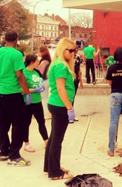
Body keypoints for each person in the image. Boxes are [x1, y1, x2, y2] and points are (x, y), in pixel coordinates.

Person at [0, 31, 31, 166]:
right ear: (17, 39)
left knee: (3, 122)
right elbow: (19, 75)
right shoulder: (16, 54)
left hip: (0, 92)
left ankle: (3, 151)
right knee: (19, 123)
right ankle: (14, 155)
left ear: (4, 39)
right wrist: (26, 91)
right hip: (13, 92)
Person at [43, 38, 76, 180]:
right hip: (60, 105)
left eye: (75, 50)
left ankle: (49, 166)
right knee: (57, 140)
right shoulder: (61, 66)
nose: (73, 53)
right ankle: (55, 172)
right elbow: (61, 88)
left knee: (53, 138)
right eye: (70, 50)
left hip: (56, 104)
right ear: (62, 50)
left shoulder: (57, 64)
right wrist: (69, 107)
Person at [22, 54, 49, 152]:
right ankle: (26, 143)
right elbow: (21, 89)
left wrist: (41, 87)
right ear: (32, 62)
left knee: (41, 121)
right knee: (26, 123)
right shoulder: (23, 73)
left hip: (37, 101)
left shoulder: (36, 72)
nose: (38, 63)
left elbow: (40, 82)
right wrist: (34, 90)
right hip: (28, 102)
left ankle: (46, 141)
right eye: (37, 61)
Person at [37, 45, 52, 119]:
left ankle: (49, 113)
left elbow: (40, 72)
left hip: (43, 81)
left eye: (39, 51)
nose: (38, 53)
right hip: (47, 80)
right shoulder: (48, 60)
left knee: (45, 98)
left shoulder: (44, 62)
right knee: (45, 97)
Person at [71, 47, 83, 123]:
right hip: (69, 79)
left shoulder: (77, 57)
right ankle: (68, 114)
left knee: (72, 96)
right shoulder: (66, 58)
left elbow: (78, 69)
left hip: (75, 79)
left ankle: (71, 114)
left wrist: (81, 81)